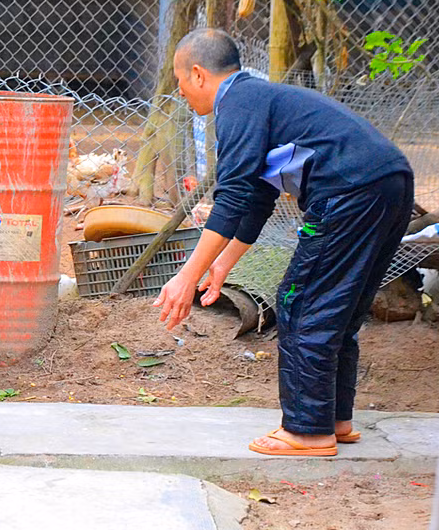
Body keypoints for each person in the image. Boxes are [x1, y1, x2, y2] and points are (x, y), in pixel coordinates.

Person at [153, 28, 414, 457]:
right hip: (389, 182)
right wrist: (222, 265)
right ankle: (334, 420)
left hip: (349, 191)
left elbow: (232, 195)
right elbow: (256, 197)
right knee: (338, 308)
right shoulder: (258, 100)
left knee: (301, 302)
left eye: (180, 82)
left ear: (198, 74)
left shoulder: (236, 104)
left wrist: (187, 276)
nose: (181, 93)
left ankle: (307, 433)